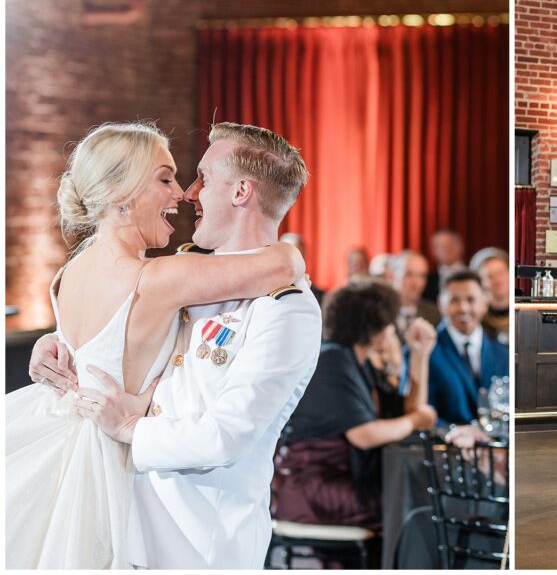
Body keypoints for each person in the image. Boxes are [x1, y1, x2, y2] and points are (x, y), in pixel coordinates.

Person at [7, 122, 307, 569]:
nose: (185, 193)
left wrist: (128, 423)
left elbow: (225, 434)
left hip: (194, 532)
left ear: (242, 192)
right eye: (167, 179)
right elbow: (284, 261)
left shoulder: (72, 272)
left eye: (197, 178)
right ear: (122, 193)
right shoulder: (165, 275)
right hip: (110, 482)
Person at [273, 281, 437, 543]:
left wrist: (420, 355)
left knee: (419, 503)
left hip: (339, 481)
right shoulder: (333, 359)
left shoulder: (355, 360)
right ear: (373, 326)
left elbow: (406, 411)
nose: (391, 328)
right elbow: (364, 435)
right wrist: (415, 419)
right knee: (412, 509)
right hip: (313, 487)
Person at [428, 271, 509, 426]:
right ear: (441, 303)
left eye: (471, 300)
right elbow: (422, 412)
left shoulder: (504, 353)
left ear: (485, 303)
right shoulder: (425, 352)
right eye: (454, 300)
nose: (463, 308)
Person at [391, 249, 442, 330]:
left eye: (422, 276)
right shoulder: (379, 312)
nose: (416, 283)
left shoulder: (434, 314)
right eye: (409, 274)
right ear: (392, 275)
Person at [471, 248, 511, 344]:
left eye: (500, 272)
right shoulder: (476, 317)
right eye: (489, 276)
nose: (498, 280)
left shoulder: (521, 310)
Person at [281, 231, 325, 305]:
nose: (297, 260)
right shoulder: (266, 292)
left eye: (300, 255)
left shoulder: (319, 296)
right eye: (291, 255)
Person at [424, 229, 466, 302]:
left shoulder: (477, 274)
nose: (447, 249)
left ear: (461, 246)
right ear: (434, 251)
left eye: (451, 244)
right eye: (441, 246)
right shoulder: (426, 281)